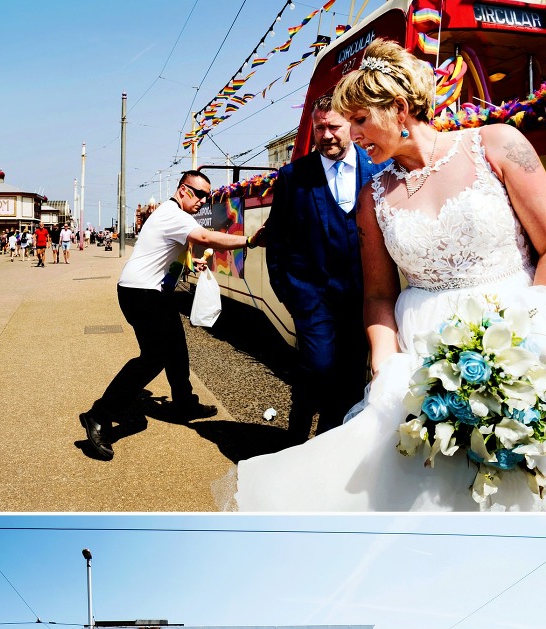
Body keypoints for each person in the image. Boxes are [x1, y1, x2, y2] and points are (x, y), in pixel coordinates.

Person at [230, 38, 546, 512]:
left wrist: (530, 332)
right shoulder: (373, 196)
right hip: (420, 361)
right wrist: (384, 360)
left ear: (399, 108)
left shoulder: (497, 145)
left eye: (360, 120)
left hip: (526, 337)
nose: (353, 135)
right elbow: (378, 294)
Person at [79, 170, 265, 460]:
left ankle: (184, 403)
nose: (204, 201)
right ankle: (99, 415)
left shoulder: (173, 215)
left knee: (177, 348)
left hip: (149, 291)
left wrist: (191, 268)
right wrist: (250, 240)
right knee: (154, 357)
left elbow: (168, 253)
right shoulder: (173, 213)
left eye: (208, 196)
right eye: (200, 194)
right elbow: (205, 236)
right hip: (141, 293)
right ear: (182, 190)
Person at [266, 94, 390, 444]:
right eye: (319, 128)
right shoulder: (293, 177)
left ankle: (329, 445)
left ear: (351, 124)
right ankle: (295, 434)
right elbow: (277, 243)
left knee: (352, 377)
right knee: (318, 367)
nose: (326, 135)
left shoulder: (378, 169)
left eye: (333, 126)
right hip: (312, 298)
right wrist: (292, 296)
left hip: (364, 297)